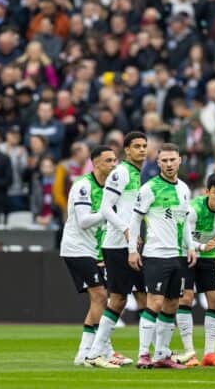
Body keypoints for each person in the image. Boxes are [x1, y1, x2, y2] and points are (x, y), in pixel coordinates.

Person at [128, 143, 197, 369]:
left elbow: (185, 221)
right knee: (155, 303)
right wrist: (132, 250)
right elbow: (135, 220)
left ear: (180, 160)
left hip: (177, 255)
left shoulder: (184, 189)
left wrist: (190, 246)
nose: (168, 164)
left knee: (172, 304)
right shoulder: (149, 189)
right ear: (158, 163)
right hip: (156, 254)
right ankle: (143, 354)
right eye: (164, 160)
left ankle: (161, 354)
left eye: (172, 160)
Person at [85, 132, 149, 367]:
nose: (142, 150)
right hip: (116, 245)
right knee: (119, 299)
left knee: (144, 297)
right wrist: (126, 229)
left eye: (144, 146)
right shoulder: (121, 173)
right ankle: (95, 353)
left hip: (132, 244)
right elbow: (105, 208)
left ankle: (146, 352)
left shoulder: (137, 174)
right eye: (137, 146)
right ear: (127, 151)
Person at [59, 146, 117, 367]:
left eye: (114, 160)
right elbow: (83, 221)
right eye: (108, 161)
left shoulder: (112, 188)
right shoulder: (83, 186)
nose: (113, 165)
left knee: (100, 298)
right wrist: (109, 213)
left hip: (94, 249)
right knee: (101, 296)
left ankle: (102, 349)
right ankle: (86, 353)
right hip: (77, 248)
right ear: (95, 163)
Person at [173, 173, 215, 368]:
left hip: (209, 255)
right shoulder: (193, 209)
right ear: (207, 191)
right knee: (185, 298)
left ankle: (210, 353)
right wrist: (202, 247)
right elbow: (183, 238)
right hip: (187, 253)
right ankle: (189, 352)